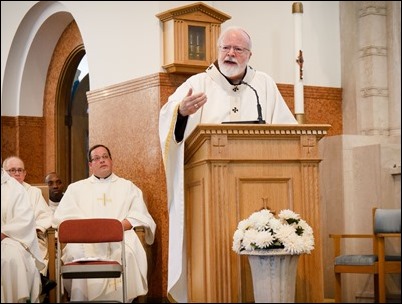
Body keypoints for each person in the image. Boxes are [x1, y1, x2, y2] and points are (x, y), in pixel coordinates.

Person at [158, 26, 298, 302]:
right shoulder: (197, 84)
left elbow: (288, 131)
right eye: (225, 48)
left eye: (238, 49)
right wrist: (182, 113)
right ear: (218, 51)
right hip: (210, 194)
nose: (231, 54)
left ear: (249, 54)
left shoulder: (264, 84)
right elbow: (168, 121)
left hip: (259, 191)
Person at [53, 144, 156, 302]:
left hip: (119, 237)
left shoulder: (128, 187)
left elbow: (139, 214)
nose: (102, 161)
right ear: (90, 165)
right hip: (84, 239)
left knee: (128, 253)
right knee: (75, 253)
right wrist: (92, 232)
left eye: (105, 157)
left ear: (111, 160)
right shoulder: (75, 189)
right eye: (97, 158)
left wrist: (114, 229)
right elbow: (63, 219)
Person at [2, 156, 56, 296]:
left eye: (20, 170)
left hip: (31, 238)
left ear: (25, 173)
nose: (17, 173)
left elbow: (46, 216)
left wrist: (36, 228)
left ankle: (35, 280)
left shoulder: (33, 192)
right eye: (12, 170)